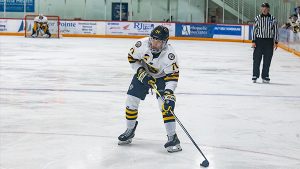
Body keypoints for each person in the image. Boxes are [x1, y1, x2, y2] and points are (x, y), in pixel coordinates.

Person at [118, 25, 182, 153]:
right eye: (153, 39)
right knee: (131, 101)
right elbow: (132, 58)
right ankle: (130, 130)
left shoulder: (170, 55)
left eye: (159, 41)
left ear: (165, 43)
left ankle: (172, 137)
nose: (155, 43)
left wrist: (169, 94)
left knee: (165, 106)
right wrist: (141, 72)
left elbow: (173, 76)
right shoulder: (141, 44)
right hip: (144, 74)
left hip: (163, 78)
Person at [252, 3, 279, 83]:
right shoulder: (257, 18)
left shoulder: (273, 19)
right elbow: (254, 30)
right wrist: (253, 41)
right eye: (263, 7)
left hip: (269, 41)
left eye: (266, 8)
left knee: (267, 60)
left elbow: (276, 31)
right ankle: (255, 75)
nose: (264, 9)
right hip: (259, 41)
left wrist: (276, 42)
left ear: (268, 9)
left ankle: (265, 76)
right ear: (261, 9)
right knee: (256, 59)